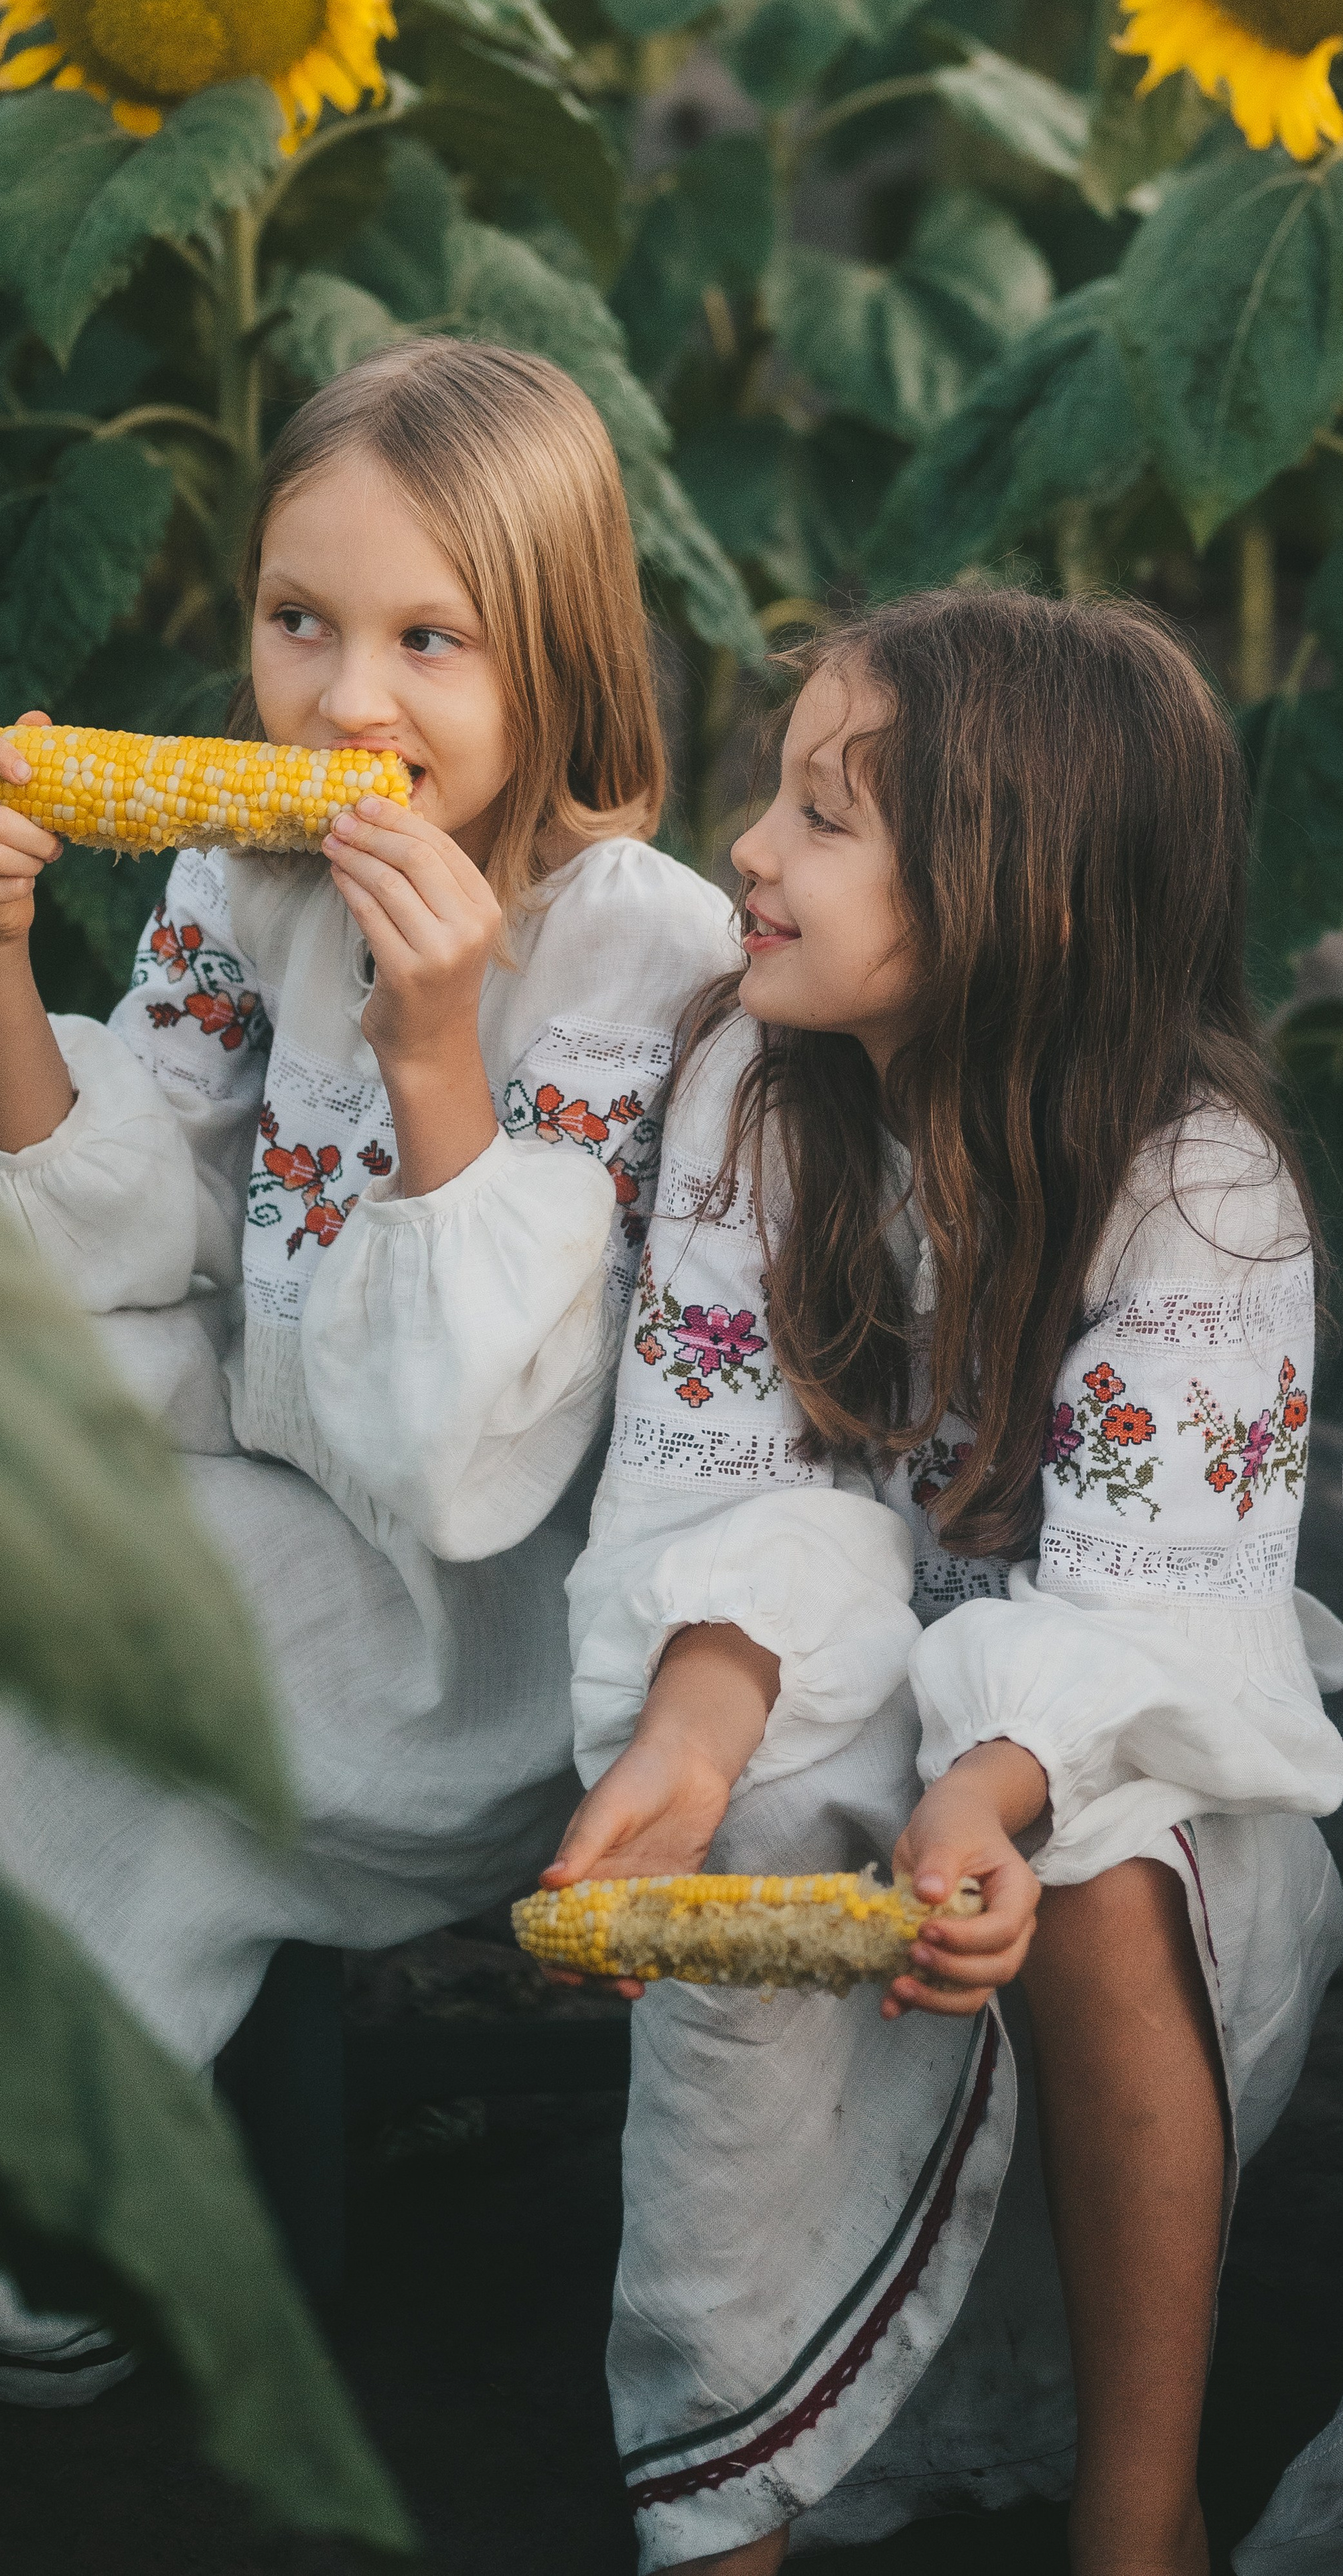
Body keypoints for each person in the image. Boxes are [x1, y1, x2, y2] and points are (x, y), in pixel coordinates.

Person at [0, 337, 739, 2399]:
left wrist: (436, 1049)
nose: (347, 698)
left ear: (555, 660)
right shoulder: (236, 878)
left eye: (430, 639)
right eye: (299, 621)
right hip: (258, 1478)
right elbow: (120, 1213)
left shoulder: (654, 952)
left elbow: (481, 1460)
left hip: (466, 1629)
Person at [549, 588, 1343, 2575]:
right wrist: (686, 1727)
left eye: (826, 817)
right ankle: (725, 2491)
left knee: (1097, 1873)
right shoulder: (756, 1094)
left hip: (1140, 1726)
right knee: (760, 1824)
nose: (749, 847)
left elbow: (1165, 1616)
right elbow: (720, 1484)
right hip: (823, 1667)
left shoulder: (1197, 1184)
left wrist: (995, 1783)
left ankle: (1136, 2507)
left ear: (1025, 900)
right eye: (776, 796)